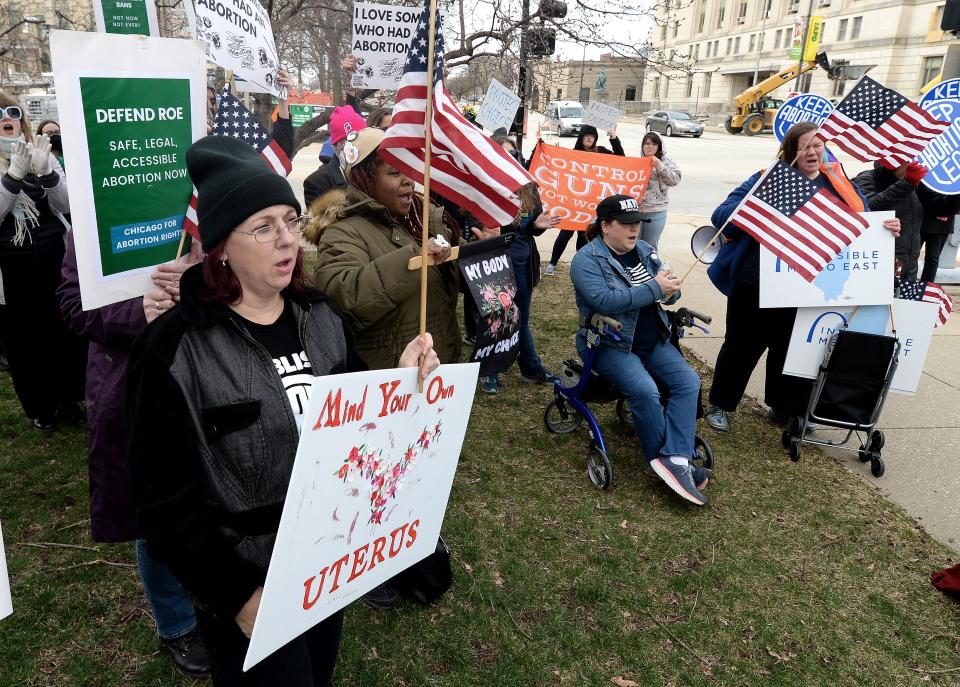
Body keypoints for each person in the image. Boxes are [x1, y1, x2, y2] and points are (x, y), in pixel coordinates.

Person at [127, 135, 440, 685]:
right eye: (264, 227)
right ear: (222, 246)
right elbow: (161, 498)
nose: (287, 240)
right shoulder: (174, 348)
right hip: (246, 575)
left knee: (318, 674)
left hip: (324, 557)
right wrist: (236, 595)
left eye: (291, 222)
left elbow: (357, 420)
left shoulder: (319, 317)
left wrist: (402, 376)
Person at [58, 236, 211, 677]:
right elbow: (73, 305)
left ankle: (221, 597)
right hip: (136, 387)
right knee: (154, 511)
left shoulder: (202, 208)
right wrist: (139, 312)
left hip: (211, 376)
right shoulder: (93, 220)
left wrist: (202, 283)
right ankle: (178, 622)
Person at [704, 122, 900, 432]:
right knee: (741, 346)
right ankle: (721, 404)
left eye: (818, 145)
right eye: (805, 146)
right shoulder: (767, 179)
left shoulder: (839, 184)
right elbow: (721, 217)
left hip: (807, 286)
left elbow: (862, 224)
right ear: (790, 150)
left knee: (790, 349)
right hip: (756, 281)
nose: (812, 152)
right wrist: (758, 205)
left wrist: (884, 229)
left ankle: (784, 409)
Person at [570, 194, 708, 505]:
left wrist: (671, 291)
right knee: (646, 392)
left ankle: (677, 460)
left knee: (688, 382)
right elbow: (604, 301)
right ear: (605, 226)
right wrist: (655, 289)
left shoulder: (645, 250)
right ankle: (666, 461)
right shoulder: (587, 260)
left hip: (651, 338)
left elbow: (667, 291)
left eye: (638, 224)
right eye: (627, 224)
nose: (635, 230)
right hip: (611, 344)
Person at [306, 127, 461, 371]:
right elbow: (342, 298)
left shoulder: (420, 220)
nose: (408, 180)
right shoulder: (341, 231)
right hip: (392, 380)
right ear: (365, 180)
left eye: (409, 170)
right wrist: (413, 260)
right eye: (394, 172)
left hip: (439, 369)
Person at [0, 90, 86, 429]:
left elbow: (65, 204)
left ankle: (68, 401)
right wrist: (12, 178)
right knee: (26, 343)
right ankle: (41, 408)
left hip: (53, 261)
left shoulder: (42, 152)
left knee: (63, 334)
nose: (5, 118)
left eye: (10, 111)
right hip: (12, 270)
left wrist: (46, 173)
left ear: (20, 118)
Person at [477, 133, 559, 394]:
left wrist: (537, 225)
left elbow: (532, 226)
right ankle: (489, 371)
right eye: (503, 155)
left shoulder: (529, 187)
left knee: (519, 318)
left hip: (522, 264)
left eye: (513, 155)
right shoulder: (486, 185)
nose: (509, 159)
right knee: (496, 317)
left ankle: (531, 368)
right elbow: (474, 221)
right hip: (495, 265)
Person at [853, 161, 960, 281]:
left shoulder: (913, 182)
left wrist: (956, 192)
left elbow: (940, 208)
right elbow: (868, 207)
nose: (913, 164)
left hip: (908, 269)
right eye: (908, 161)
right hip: (879, 267)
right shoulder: (868, 178)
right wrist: (907, 183)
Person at [544, 125, 624, 276]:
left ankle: (579, 265)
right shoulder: (574, 154)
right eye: (586, 135)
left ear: (595, 138)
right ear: (581, 137)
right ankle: (553, 263)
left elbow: (620, 159)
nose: (589, 138)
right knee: (566, 232)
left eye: (592, 136)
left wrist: (614, 139)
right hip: (574, 201)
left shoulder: (601, 151)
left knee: (583, 234)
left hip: (592, 202)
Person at [302, 105, 366, 207]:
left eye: (360, 139)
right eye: (348, 141)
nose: (355, 146)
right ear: (335, 146)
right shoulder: (317, 182)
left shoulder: (374, 171)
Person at [636, 131, 680, 248]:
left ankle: (651, 267)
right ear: (642, 146)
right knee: (634, 245)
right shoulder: (638, 161)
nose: (650, 146)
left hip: (656, 210)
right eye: (647, 143)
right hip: (636, 211)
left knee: (650, 246)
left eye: (654, 144)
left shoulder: (666, 161)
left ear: (659, 146)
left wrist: (659, 165)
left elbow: (675, 180)